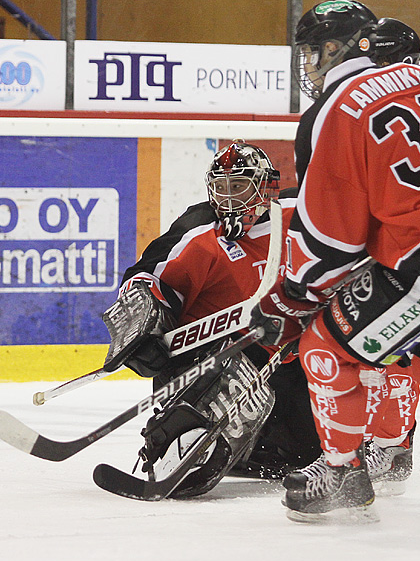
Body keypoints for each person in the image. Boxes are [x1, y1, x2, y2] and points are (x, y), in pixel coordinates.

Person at [250, 0, 420, 523]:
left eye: (313, 51)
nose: (309, 64)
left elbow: (331, 234)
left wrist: (294, 296)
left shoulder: (334, 109)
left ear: (337, 48)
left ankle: (341, 473)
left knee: (323, 349)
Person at [103, 140, 322, 499]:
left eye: (238, 186)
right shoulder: (200, 227)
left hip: (281, 354)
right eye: (220, 187)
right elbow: (143, 280)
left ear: (264, 187)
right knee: (220, 375)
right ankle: (184, 438)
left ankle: (252, 447)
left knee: (305, 455)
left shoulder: (302, 214)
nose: (228, 198)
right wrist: (143, 334)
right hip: (207, 355)